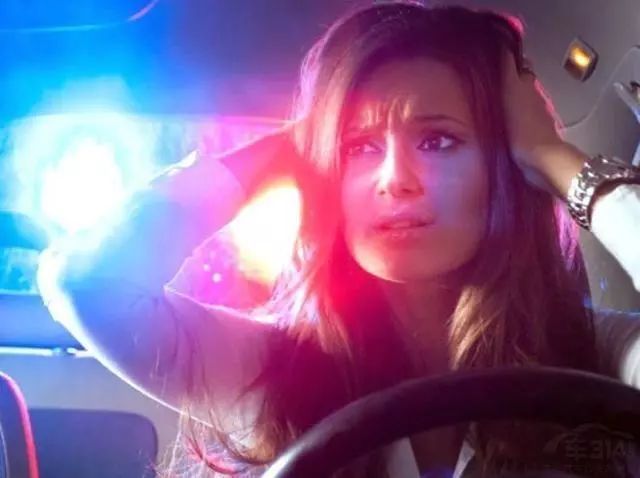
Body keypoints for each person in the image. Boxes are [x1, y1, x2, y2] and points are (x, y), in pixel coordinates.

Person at [37, 3, 640, 477]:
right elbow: (84, 281)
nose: (395, 179)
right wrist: (293, 143)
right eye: (358, 147)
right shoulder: (276, 368)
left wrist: (553, 156)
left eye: (437, 141)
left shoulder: (598, 352)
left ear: (503, 168)